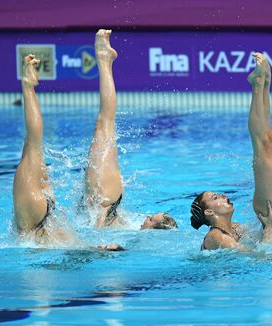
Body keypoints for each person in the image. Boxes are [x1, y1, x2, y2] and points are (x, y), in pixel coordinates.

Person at [13, 53, 122, 250]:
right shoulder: (123, 224)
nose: (148, 217)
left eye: (152, 219)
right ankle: (28, 87)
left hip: (44, 218)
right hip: (39, 219)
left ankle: (28, 87)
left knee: (32, 146)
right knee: (32, 145)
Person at [190, 53, 272, 250]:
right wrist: (270, 229)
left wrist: (269, 228)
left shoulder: (235, 229)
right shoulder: (216, 238)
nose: (222, 196)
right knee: (263, 144)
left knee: (267, 143)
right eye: (215, 198)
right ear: (209, 213)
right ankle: (260, 84)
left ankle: (262, 84)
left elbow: (256, 246)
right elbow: (255, 257)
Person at [81, 29, 177, 231]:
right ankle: (104, 61)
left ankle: (105, 61)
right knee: (104, 124)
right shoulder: (131, 230)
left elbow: (97, 232)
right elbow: (98, 228)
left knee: (105, 123)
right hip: (105, 197)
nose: (147, 216)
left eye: (151, 219)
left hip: (107, 197)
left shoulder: (130, 229)